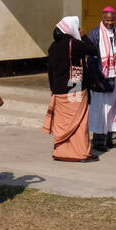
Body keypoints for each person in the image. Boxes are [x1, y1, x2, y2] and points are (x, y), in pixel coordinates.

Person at [43, 16, 97, 162]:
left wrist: (52, 89)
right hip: (75, 86)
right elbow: (93, 50)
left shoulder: (52, 47)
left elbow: (50, 70)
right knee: (79, 121)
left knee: (63, 121)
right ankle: (80, 153)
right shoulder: (75, 44)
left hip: (58, 89)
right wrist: (84, 36)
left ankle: (61, 152)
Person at [88, 7, 116, 152]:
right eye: (107, 20)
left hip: (115, 76)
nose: (109, 23)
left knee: (114, 108)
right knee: (100, 110)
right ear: (102, 19)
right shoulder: (95, 33)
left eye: (112, 20)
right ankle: (98, 141)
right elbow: (91, 57)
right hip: (100, 77)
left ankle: (113, 139)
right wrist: (95, 78)